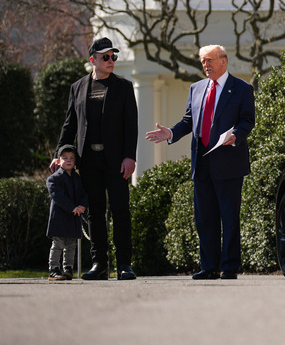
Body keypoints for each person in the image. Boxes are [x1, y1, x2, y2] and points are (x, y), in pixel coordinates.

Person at [145, 45, 254, 280]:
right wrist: (171, 133)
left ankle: (230, 267)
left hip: (228, 162)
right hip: (202, 162)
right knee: (205, 218)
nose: (206, 65)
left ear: (223, 61)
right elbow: (188, 121)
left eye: (209, 61)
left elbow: (247, 120)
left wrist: (237, 135)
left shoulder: (242, 89)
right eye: (203, 62)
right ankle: (209, 266)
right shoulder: (196, 89)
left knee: (229, 217)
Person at [51, 37, 138, 280]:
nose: (111, 61)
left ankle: (124, 265)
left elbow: (131, 126)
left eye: (113, 57)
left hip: (116, 161)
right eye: (105, 57)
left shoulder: (124, 87)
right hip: (88, 160)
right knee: (95, 212)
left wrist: (130, 157)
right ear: (93, 60)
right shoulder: (77, 88)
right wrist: (59, 154)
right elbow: (70, 125)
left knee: (120, 210)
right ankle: (99, 264)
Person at [46, 145, 88, 281]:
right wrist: (72, 207)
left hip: (73, 218)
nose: (68, 161)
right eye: (65, 158)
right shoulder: (53, 179)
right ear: (58, 161)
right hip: (59, 217)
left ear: (75, 161)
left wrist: (82, 206)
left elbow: (84, 194)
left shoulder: (78, 179)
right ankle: (54, 269)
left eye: (71, 158)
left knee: (71, 245)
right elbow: (58, 196)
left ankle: (68, 268)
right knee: (58, 244)